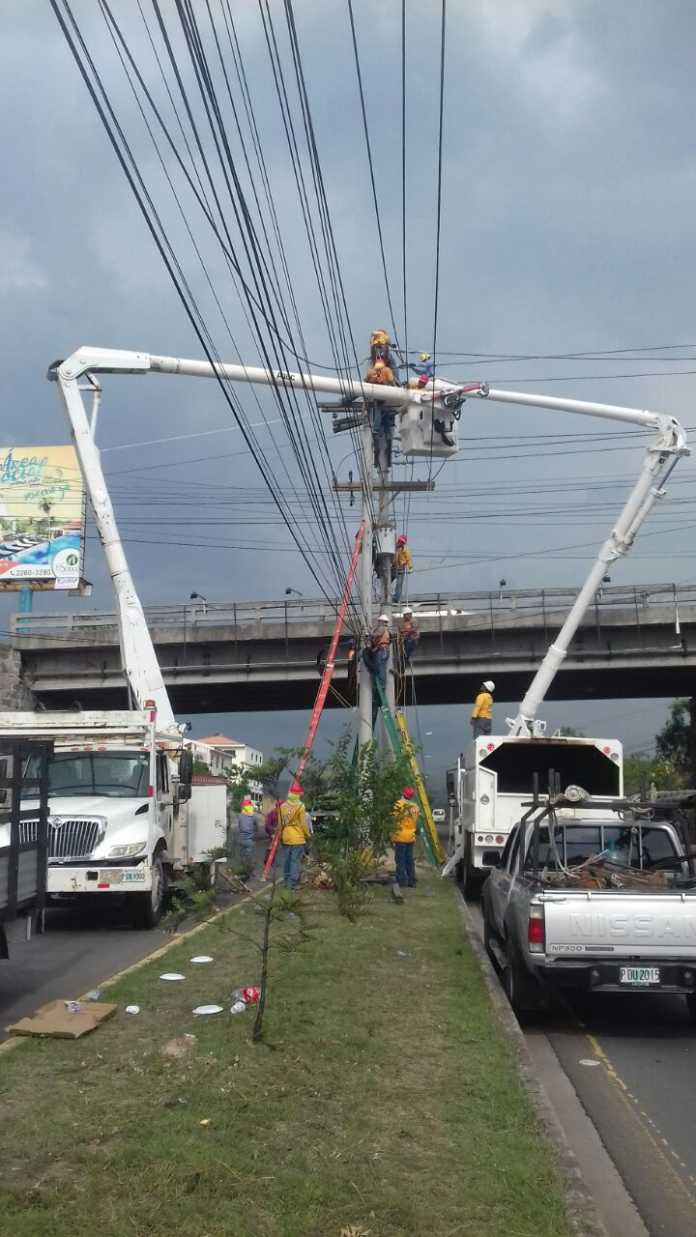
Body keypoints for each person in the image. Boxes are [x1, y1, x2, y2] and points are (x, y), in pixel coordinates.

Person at [279, 781, 312, 890]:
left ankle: (286, 881)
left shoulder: (282, 806)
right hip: (298, 838)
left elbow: (280, 824)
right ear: (298, 794)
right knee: (295, 861)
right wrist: (308, 834)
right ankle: (292, 884)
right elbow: (303, 823)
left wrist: (280, 836)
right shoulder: (301, 806)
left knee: (287, 860)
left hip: (286, 836)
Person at [391, 786, 420, 888]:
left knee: (400, 860)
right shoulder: (415, 807)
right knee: (409, 859)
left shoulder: (398, 805)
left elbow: (393, 820)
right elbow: (415, 820)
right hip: (410, 836)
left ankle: (402, 881)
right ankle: (411, 881)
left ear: (403, 793)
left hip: (400, 836)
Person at [361, 614, 391, 685]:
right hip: (381, 650)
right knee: (379, 667)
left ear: (382, 621)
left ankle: (381, 683)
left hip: (381, 650)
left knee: (380, 668)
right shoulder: (384, 630)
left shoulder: (382, 628)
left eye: (379, 621)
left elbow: (377, 635)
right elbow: (374, 639)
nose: (378, 623)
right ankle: (377, 678)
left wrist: (370, 633)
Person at [237, 797, 261, 876]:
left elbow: (240, 827)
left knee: (242, 855)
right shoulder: (254, 817)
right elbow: (257, 828)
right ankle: (249, 872)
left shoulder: (240, 816)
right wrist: (255, 832)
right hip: (249, 840)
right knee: (249, 857)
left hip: (241, 839)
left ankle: (241, 871)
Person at [392, 534, 413, 603]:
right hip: (393, 567)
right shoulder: (394, 547)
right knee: (387, 581)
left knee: (399, 584)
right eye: (400, 541)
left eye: (402, 542)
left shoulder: (405, 549)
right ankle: (386, 596)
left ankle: (396, 598)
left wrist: (410, 567)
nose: (400, 543)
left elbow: (409, 559)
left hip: (400, 568)